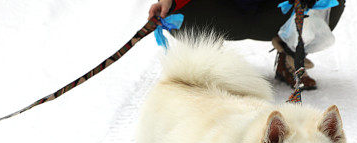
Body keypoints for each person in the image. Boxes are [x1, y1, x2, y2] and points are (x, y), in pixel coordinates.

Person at [148, 0, 345, 90]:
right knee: (174, 13)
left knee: (328, 2)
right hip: (223, 10)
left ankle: (291, 55)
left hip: (273, 10)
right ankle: (207, 63)